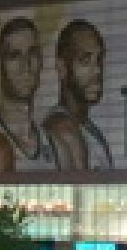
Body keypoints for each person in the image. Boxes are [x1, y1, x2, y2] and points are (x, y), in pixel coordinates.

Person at [0, 17, 55, 172]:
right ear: (0, 65)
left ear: (41, 60)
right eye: (14, 56)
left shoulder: (54, 144)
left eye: (32, 54)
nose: (25, 66)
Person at [43, 18, 112, 170]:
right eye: (85, 61)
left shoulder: (88, 128)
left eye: (99, 60)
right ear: (62, 68)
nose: (97, 70)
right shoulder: (64, 129)